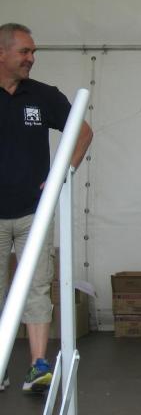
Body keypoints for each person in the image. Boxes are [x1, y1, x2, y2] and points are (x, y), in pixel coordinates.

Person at [0, 23, 93, 393]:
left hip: (33, 215)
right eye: (24, 52)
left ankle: (38, 366)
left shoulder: (43, 96)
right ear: (2, 53)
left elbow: (82, 132)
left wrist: (62, 176)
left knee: (37, 288)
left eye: (33, 52)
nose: (31, 58)